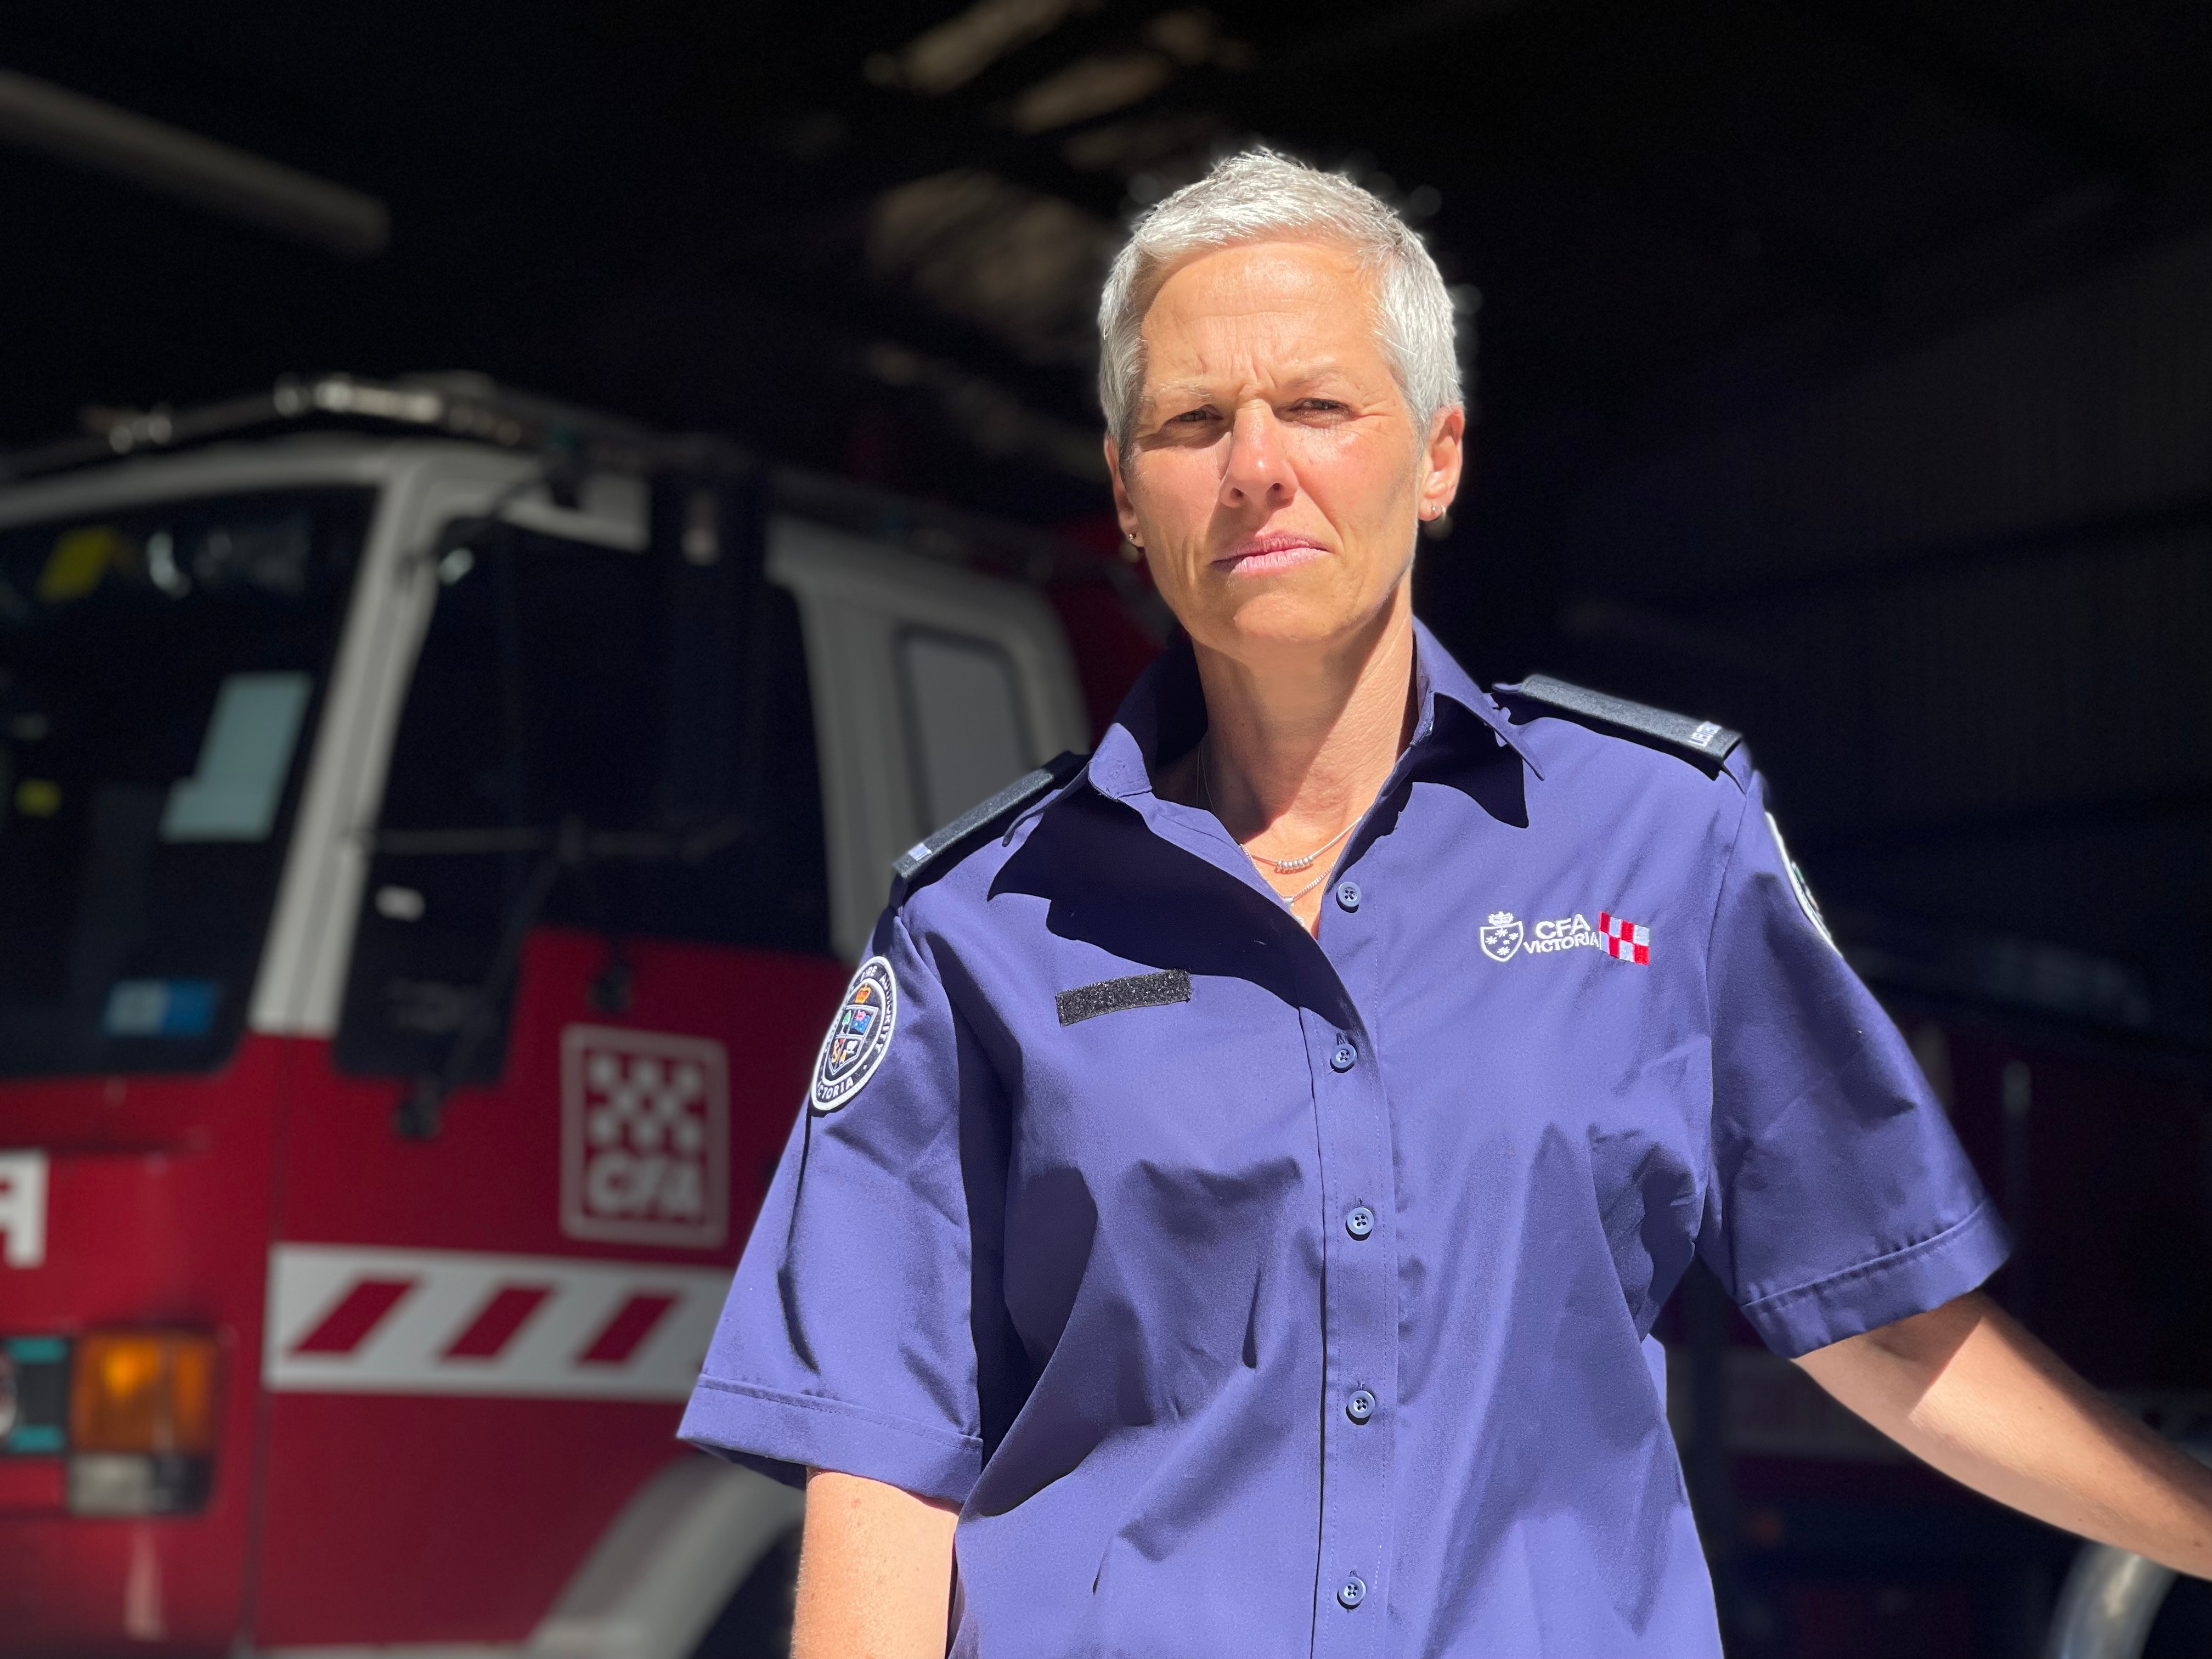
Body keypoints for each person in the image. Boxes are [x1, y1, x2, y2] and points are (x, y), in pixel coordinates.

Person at [680, 149, 2212, 1657]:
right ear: (1128, 502)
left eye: (1320, 407)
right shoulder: (982, 924)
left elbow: (1882, 1321)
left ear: (1438, 456)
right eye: (1194, 422)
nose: (1257, 465)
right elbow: (884, 1455)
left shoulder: (1657, 838)